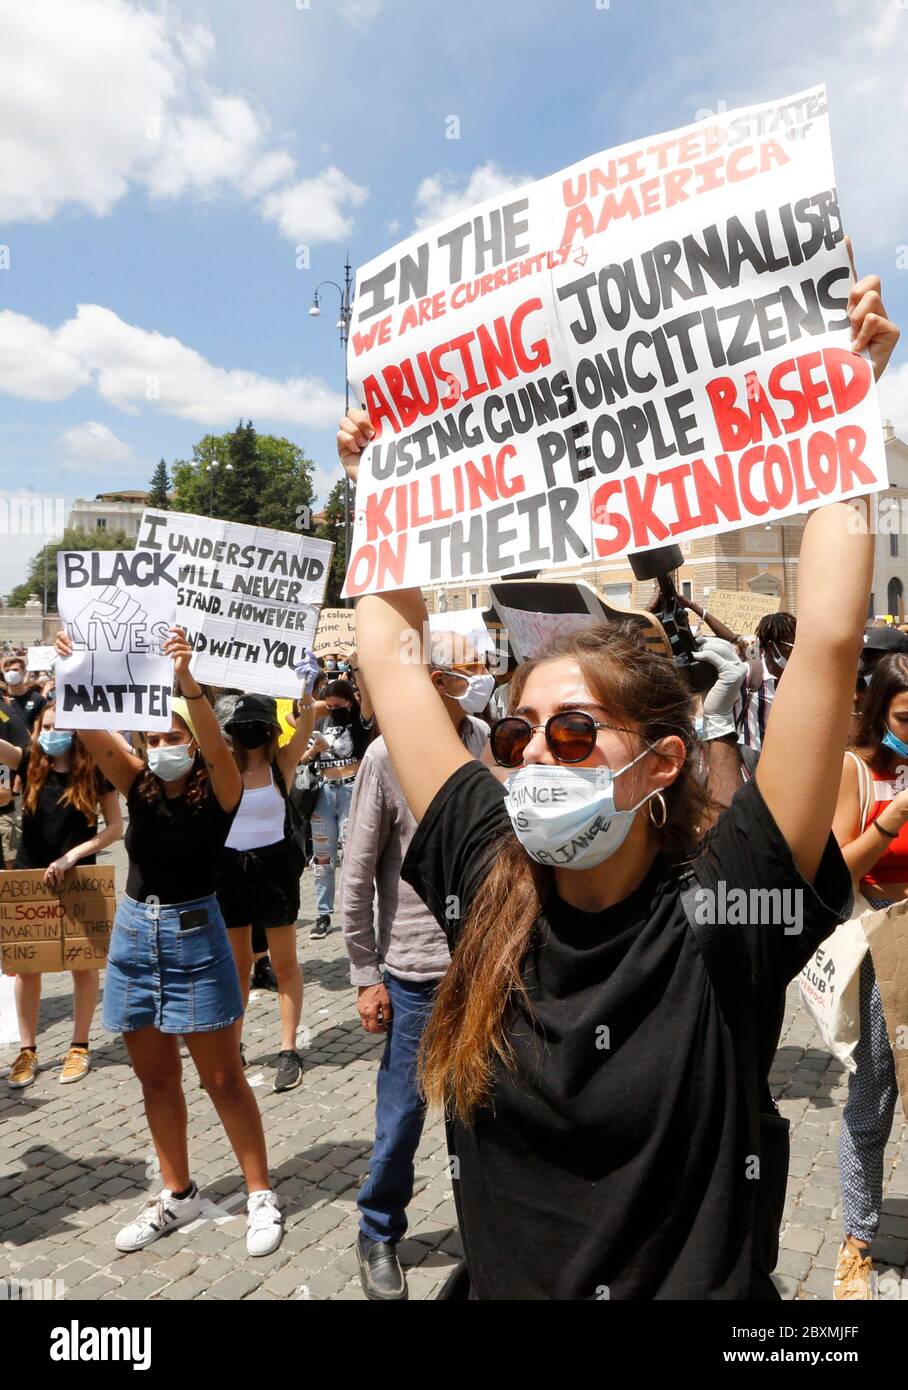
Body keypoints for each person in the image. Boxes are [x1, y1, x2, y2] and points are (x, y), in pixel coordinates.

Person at [332, 267, 897, 1299]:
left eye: (574, 730)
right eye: (515, 731)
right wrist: (386, 493)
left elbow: (821, 644)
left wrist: (843, 411)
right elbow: (392, 668)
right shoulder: (484, 872)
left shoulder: (724, 913)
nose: (534, 753)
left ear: (661, 762)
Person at [53, 626, 283, 1257]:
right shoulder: (136, 785)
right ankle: (177, 1193)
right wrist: (75, 670)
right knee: (156, 1081)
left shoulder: (224, 794)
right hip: (133, 940)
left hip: (195, 939)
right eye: (153, 738)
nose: (161, 748)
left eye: (171, 737)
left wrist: (188, 685)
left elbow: (214, 744)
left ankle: (259, 1192)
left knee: (223, 1077)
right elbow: (97, 733)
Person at [342, 633, 490, 1300]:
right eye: (463, 670)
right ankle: (378, 1229)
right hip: (414, 972)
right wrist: (365, 973)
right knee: (402, 1115)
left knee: (486, 1116)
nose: (475, 680)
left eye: (480, 668)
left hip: (489, 967)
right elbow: (356, 873)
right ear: (431, 677)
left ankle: (492, 1237)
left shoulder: (496, 742)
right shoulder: (384, 755)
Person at [831, 652, 908, 1298]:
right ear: (880, 711)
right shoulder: (856, 770)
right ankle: (858, 1239)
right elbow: (837, 873)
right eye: (907, 719)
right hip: (886, 940)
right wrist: (895, 815)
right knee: (874, 1097)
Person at [0, 702, 122, 1088]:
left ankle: (79, 1045)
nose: (51, 733)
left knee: (82, 966)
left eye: (59, 727)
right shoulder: (29, 763)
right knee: (27, 967)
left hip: (78, 878)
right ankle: (28, 1049)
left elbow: (115, 827)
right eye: (45, 726)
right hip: (30, 877)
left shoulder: (95, 772)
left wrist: (74, 855)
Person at [218, 688, 316, 1093]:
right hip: (231, 871)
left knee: (285, 962)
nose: (251, 733)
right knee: (238, 966)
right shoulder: (221, 767)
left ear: (272, 730)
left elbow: (308, 721)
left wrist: (306, 694)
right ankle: (232, 1044)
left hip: (275, 869)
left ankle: (288, 1048)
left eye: (258, 726)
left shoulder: (282, 763)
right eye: (243, 728)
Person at [301, 671, 375, 940]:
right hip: (322, 794)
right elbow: (302, 757)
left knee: (353, 855)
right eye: (328, 705)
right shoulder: (319, 722)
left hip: (351, 790)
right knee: (323, 858)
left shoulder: (358, 720)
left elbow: (366, 699)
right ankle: (323, 914)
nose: (333, 710)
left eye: (338, 705)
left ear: (349, 702)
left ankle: (355, 913)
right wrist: (314, 750)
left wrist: (358, 669)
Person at [733, 611, 796, 756]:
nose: (795, 650)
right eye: (791, 644)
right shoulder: (748, 674)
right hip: (754, 763)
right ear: (771, 646)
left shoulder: (799, 679)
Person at [2, 654, 47, 727]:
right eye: (7, 671)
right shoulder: (1, 698)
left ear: (24, 672)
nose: (10, 673)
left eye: (15, 670)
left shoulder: (38, 699)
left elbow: (40, 726)